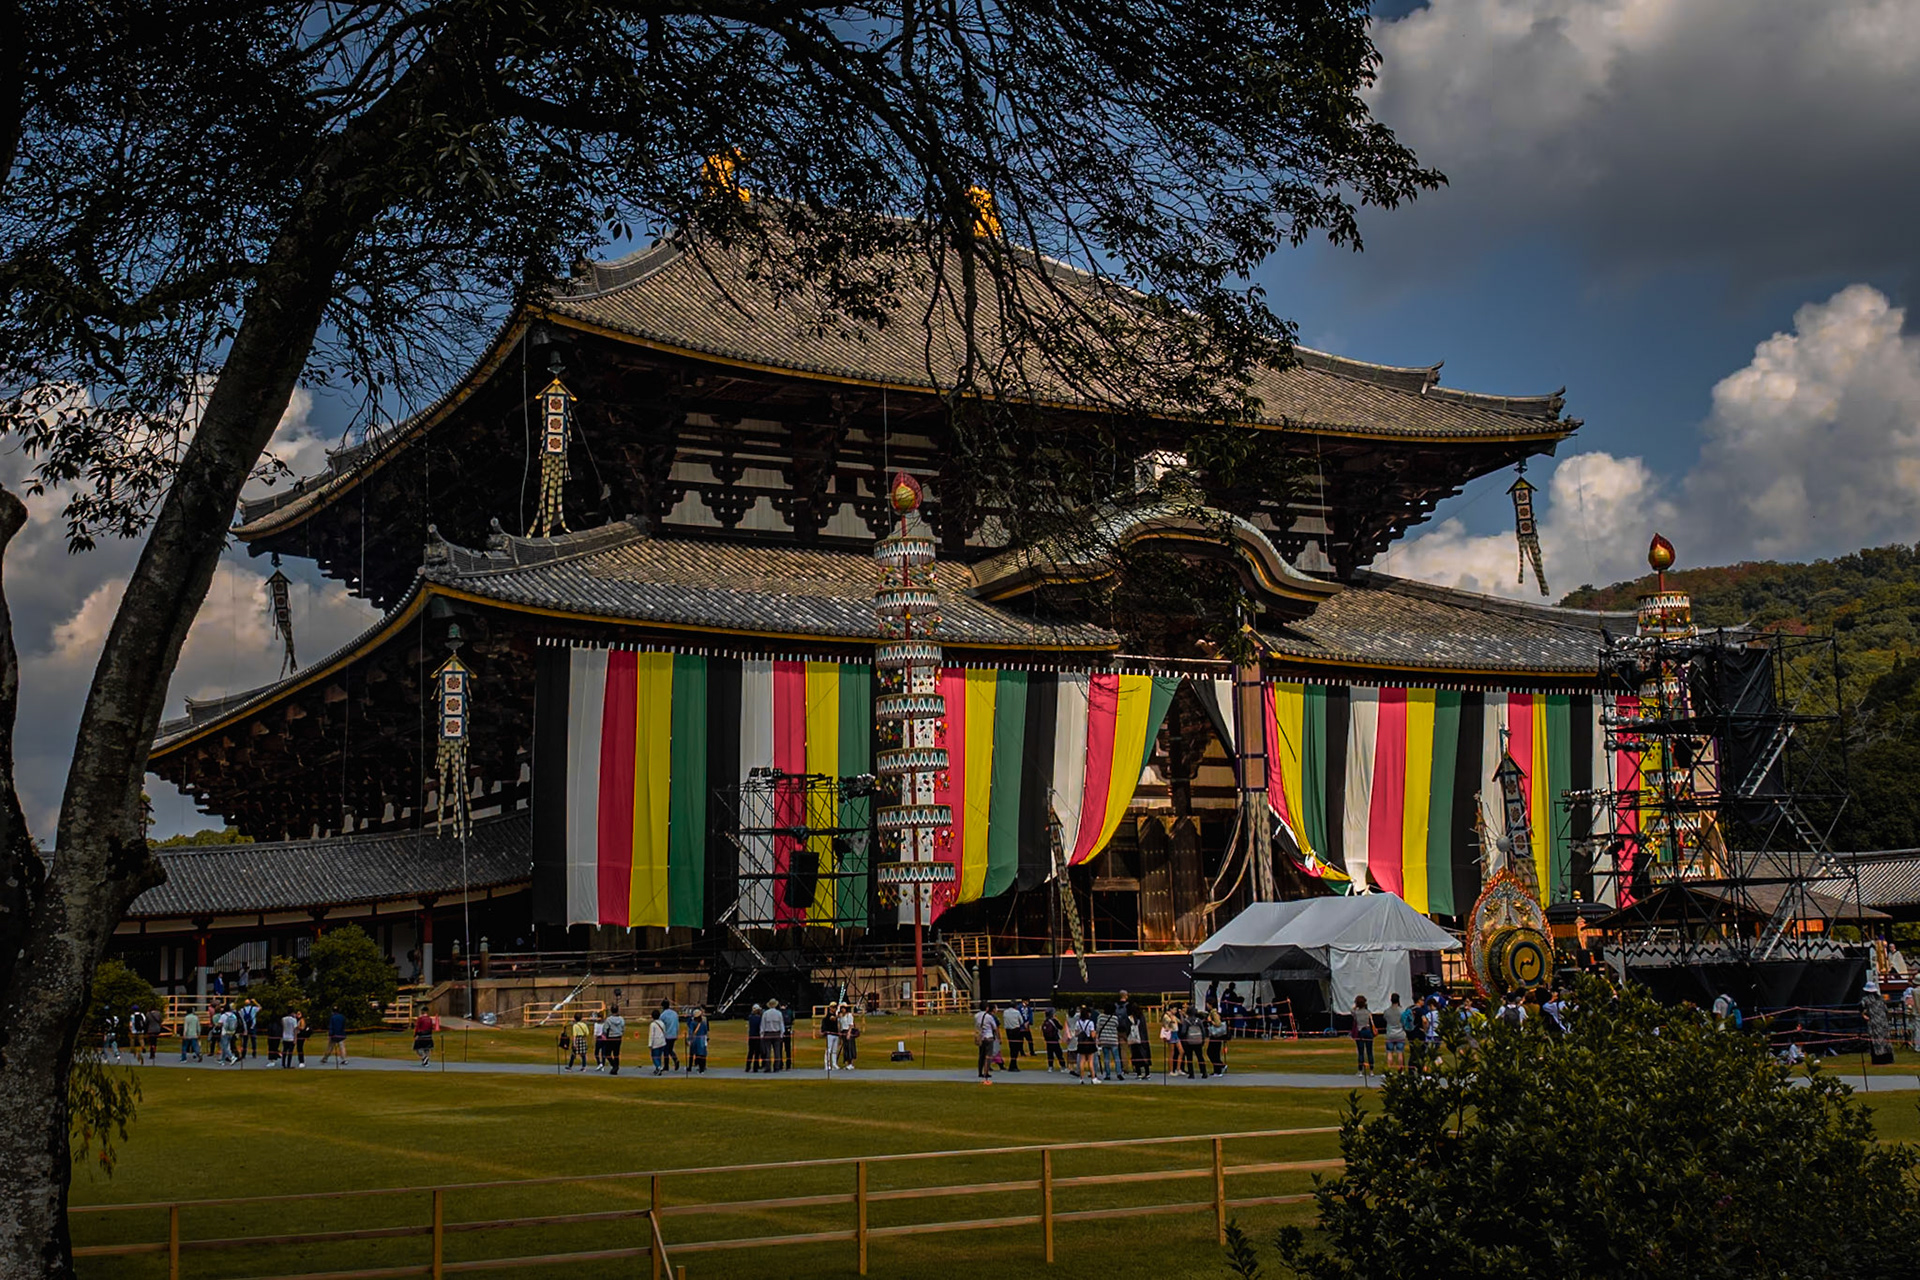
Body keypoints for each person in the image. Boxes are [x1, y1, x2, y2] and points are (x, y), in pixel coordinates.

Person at [973, 1003, 1001, 1083]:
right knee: (988, 1056)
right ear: (987, 1008)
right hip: (989, 1037)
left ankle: (980, 1072)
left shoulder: (976, 1015)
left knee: (981, 1055)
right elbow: (994, 1027)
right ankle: (986, 1072)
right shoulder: (989, 1017)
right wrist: (998, 1037)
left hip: (981, 1037)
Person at [1095, 1003, 1123, 1081]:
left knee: (1106, 1058)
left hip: (1104, 1040)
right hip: (1113, 1040)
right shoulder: (1114, 1018)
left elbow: (1098, 1027)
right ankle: (1119, 1073)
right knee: (1116, 1057)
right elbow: (1117, 1026)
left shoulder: (1101, 1017)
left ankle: (1108, 1074)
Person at [1350, 995, 1374, 1081]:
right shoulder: (1368, 1012)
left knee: (1361, 1052)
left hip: (1360, 1032)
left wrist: (1356, 1006)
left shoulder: (1356, 1013)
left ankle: (1360, 1071)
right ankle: (1371, 1071)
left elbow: (1352, 1010)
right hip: (1367, 1031)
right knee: (1369, 1051)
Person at [1073, 1005, 1099, 1082]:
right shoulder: (1090, 1023)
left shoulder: (1078, 1022)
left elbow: (1076, 1033)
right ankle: (1093, 1078)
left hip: (1081, 1043)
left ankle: (1081, 1078)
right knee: (1090, 1061)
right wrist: (1095, 1033)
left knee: (1082, 1061)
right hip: (1089, 1043)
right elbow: (1092, 1035)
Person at [1383, 994, 1408, 1070]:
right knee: (1400, 1052)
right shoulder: (1402, 1011)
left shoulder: (1387, 1011)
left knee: (1389, 1052)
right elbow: (1404, 1021)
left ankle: (1389, 1069)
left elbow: (1385, 1019)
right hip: (1400, 1033)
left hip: (1390, 1034)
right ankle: (1401, 1069)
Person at [1181, 1005, 1205, 1078]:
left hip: (1189, 1041)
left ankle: (1191, 1074)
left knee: (1189, 1057)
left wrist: (1183, 1038)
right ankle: (1204, 1072)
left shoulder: (1186, 1021)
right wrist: (1203, 1039)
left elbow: (1183, 1031)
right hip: (1198, 1040)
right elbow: (1203, 1031)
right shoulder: (1199, 1021)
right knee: (1200, 1057)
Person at [1000, 999, 1025, 1071]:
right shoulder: (1017, 1012)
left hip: (1008, 1031)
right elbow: (1021, 1021)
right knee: (1016, 1048)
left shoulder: (1005, 1012)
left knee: (1012, 1047)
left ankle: (1013, 1064)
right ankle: (1013, 1064)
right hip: (1016, 1030)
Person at [760, 1001, 785, 1072]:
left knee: (767, 1051)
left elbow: (763, 1025)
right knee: (777, 1051)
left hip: (768, 1033)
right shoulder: (779, 1013)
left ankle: (767, 1067)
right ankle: (776, 1067)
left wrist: (762, 1034)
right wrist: (781, 1034)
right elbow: (781, 1024)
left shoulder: (765, 1013)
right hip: (776, 1033)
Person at [1205, 1005, 1229, 1077]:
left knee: (1212, 1052)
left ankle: (1218, 1069)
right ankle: (1219, 1067)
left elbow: (1218, 1024)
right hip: (1216, 1036)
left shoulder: (1214, 1013)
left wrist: (1211, 1021)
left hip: (1216, 1036)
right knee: (1214, 1052)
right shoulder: (1213, 1012)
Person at [1128, 1007, 1152, 1079]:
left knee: (1136, 1056)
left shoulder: (1131, 1018)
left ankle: (1139, 1073)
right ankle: (1147, 1072)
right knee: (1144, 1055)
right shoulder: (1142, 1018)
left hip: (1135, 1039)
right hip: (1143, 1038)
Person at [601, 1005, 625, 1074]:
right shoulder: (621, 1019)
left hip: (611, 1037)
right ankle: (616, 1066)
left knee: (607, 1053)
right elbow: (623, 1028)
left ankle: (614, 1066)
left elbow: (605, 1029)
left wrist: (604, 1035)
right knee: (616, 1054)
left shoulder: (608, 1020)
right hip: (618, 1037)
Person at [658, 1001, 682, 1072]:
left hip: (667, 1035)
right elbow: (677, 1024)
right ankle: (675, 1059)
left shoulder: (663, 1015)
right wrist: (677, 1033)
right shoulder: (674, 1013)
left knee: (666, 1051)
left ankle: (666, 1066)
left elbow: (661, 1025)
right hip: (674, 1034)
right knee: (670, 1049)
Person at [688, 1007, 709, 1074]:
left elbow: (691, 1032)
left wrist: (689, 1039)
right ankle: (702, 1068)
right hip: (702, 1039)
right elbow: (706, 1031)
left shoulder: (693, 1023)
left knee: (695, 1053)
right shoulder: (703, 1023)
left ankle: (693, 1066)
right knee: (702, 1054)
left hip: (695, 1039)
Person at [746, 1004, 766, 1072]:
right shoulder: (759, 1018)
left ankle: (748, 1066)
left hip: (751, 1036)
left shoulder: (750, 1017)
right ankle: (755, 1067)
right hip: (757, 1036)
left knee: (750, 1052)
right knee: (757, 1053)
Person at [837, 1003, 857, 1069]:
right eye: (842, 1008)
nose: (843, 1009)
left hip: (848, 1032)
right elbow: (839, 1025)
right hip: (843, 1032)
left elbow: (851, 1025)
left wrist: (849, 1033)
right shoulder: (841, 1016)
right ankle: (847, 1063)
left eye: (844, 1008)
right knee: (845, 1048)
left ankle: (851, 1063)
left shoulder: (849, 1015)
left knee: (850, 1047)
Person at [648, 1010, 669, 1074]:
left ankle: (658, 1067)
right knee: (659, 1056)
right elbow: (665, 1032)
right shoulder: (662, 1023)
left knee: (654, 1056)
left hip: (656, 1042)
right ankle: (658, 1068)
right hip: (662, 1042)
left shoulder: (653, 1024)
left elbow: (651, 1034)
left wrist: (650, 1044)